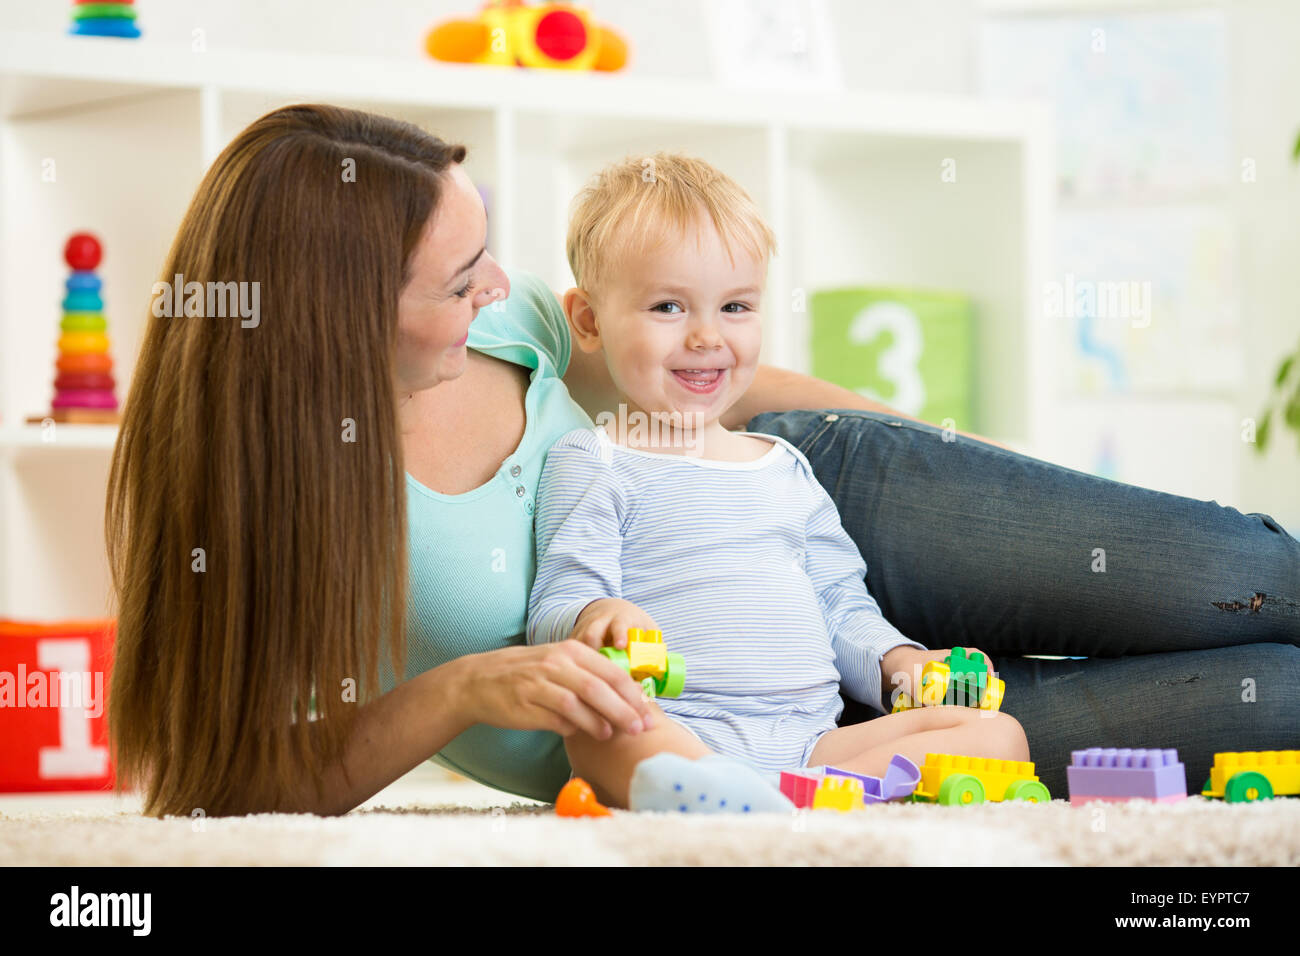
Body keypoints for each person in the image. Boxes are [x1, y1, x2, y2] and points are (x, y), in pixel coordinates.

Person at [106, 104, 1300, 818]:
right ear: (339, 312)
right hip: (758, 741)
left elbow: (720, 371)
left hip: (813, 507)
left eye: (488, 259)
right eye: (458, 278)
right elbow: (231, 783)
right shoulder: (267, 511)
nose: (494, 290)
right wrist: (464, 688)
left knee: (1241, 575)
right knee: (1269, 700)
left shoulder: (514, 321)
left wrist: (944, 451)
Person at [525, 152, 1029, 809]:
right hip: (679, 732)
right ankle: (766, 794)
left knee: (998, 735)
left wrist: (903, 665)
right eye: (669, 306)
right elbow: (554, 606)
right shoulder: (593, 459)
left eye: (735, 306)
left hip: (812, 743)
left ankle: (787, 795)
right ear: (589, 320)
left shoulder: (784, 466)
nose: (708, 336)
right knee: (604, 740)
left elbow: (841, 604)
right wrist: (597, 616)